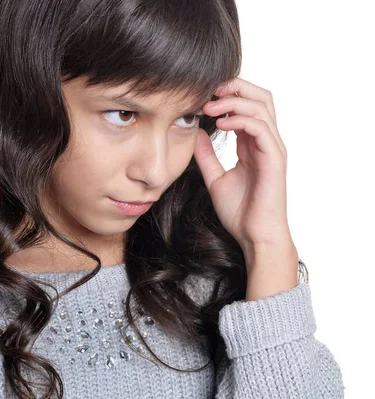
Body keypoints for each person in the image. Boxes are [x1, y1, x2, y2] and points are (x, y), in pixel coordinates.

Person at [0, 0, 345, 398]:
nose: (157, 170)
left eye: (186, 118)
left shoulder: (205, 274)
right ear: (29, 89)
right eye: (123, 114)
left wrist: (266, 245)